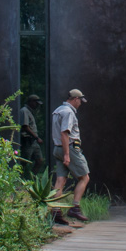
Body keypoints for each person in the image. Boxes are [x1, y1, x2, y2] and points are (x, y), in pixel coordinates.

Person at [50, 88, 90, 223]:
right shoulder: (68, 112)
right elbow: (64, 133)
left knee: (60, 180)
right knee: (84, 178)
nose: (80, 103)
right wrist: (67, 154)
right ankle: (75, 208)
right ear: (75, 99)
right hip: (69, 148)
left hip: (57, 148)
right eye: (80, 101)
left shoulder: (58, 110)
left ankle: (55, 212)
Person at [18, 94, 45, 178]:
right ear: (31, 102)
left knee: (39, 160)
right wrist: (37, 137)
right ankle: (19, 180)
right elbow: (25, 127)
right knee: (24, 162)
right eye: (36, 103)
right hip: (27, 140)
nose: (37, 105)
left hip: (33, 141)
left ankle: (30, 179)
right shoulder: (24, 111)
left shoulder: (31, 112)